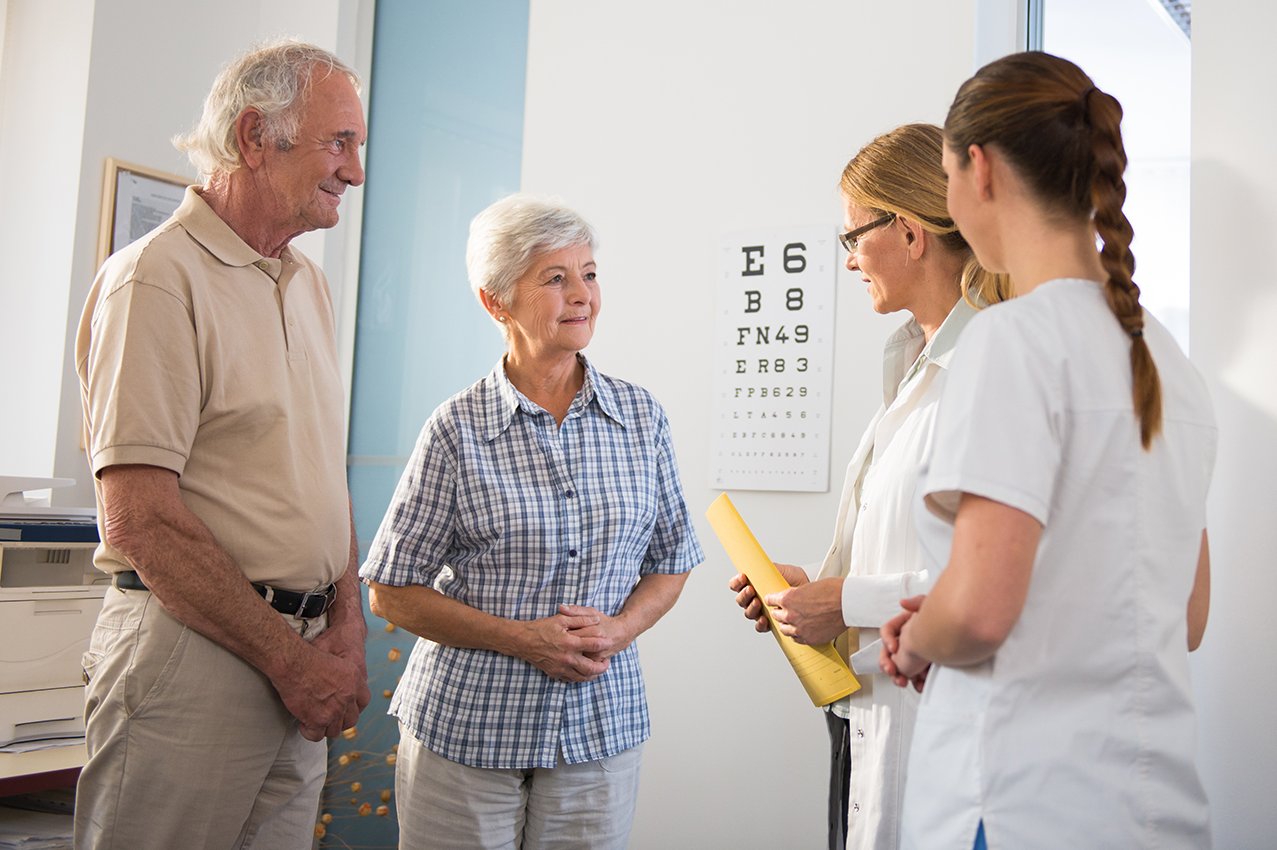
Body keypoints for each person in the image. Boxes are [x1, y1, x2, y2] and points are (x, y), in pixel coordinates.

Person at [880, 52, 1214, 850]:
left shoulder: (1011, 340)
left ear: (978, 169)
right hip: (1149, 806)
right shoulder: (1167, 360)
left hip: (1016, 801)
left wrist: (921, 635)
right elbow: (1186, 615)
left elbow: (983, 612)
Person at [74, 40, 370, 850]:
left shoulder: (306, 282)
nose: (354, 170)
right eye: (338, 143)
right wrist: (293, 661)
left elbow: (321, 474)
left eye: (358, 146)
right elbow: (141, 522)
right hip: (193, 657)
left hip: (301, 656)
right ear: (253, 138)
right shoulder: (155, 279)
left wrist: (346, 627)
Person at [359, 194, 703, 850]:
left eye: (590, 273)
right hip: (467, 733)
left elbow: (672, 558)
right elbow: (392, 592)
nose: (582, 295)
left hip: (599, 730)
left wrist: (619, 628)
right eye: (555, 277)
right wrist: (524, 639)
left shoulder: (640, 418)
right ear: (496, 302)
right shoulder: (457, 429)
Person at [729, 123, 1009, 850]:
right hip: (871, 711)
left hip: (948, 727)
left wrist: (845, 602)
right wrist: (813, 592)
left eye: (852, 236)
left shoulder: (992, 366)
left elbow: (1004, 577)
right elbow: (912, 539)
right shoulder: (913, 362)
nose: (849, 261)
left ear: (910, 233)